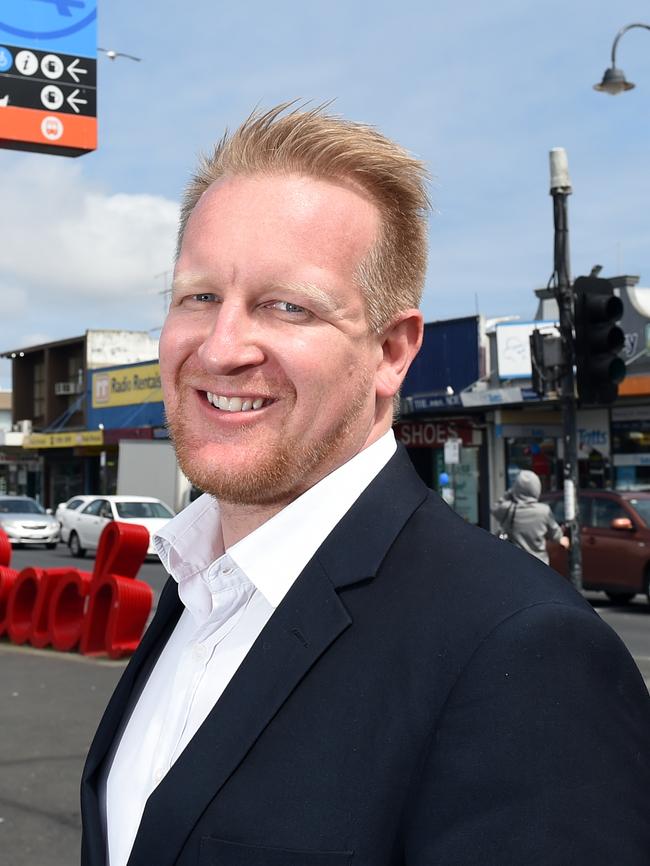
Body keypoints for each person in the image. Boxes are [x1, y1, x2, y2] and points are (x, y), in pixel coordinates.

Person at [81, 104, 650, 866]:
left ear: (391, 351)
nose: (221, 348)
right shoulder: (196, 587)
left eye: (288, 306)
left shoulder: (523, 654)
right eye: (199, 296)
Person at [491, 469, 570, 564]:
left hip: (516, 562)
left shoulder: (508, 509)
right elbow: (555, 534)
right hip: (539, 563)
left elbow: (495, 507)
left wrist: (512, 491)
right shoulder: (544, 511)